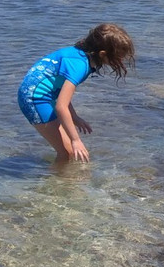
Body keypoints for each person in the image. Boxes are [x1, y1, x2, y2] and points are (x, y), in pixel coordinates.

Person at [17, 23, 135, 163]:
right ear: (103, 54)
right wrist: (76, 140)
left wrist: (74, 117)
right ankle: (57, 184)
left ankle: (60, 181)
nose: (121, 60)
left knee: (71, 154)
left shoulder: (79, 54)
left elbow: (58, 89)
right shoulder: (79, 66)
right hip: (34, 98)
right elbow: (61, 106)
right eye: (119, 57)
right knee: (67, 153)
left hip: (40, 94)